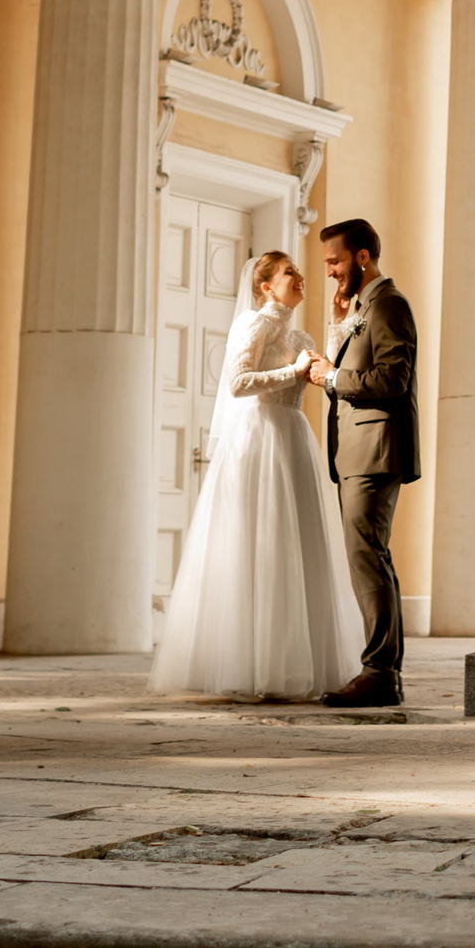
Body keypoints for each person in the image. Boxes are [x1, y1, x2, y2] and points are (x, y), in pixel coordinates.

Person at [149, 251, 363, 701]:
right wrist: (293, 370)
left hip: (292, 438)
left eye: (299, 271)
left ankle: (291, 662)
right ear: (266, 286)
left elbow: (321, 367)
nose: (300, 277)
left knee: (295, 547)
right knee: (259, 544)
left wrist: (337, 323)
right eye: (290, 273)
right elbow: (237, 382)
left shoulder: (299, 332)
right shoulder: (255, 324)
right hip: (260, 437)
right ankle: (247, 664)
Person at [306, 217, 418, 708]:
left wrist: (332, 379)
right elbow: (357, 363)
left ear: (363, 257)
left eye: (334, 260)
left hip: (375, 450)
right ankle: (380, 670)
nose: (329, 270)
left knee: (368, 558)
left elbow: (392, 378)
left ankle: (379, 674)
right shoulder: (362, 307)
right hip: (356, 452)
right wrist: (338, 327)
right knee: (367, 557)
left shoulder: (389, 304)